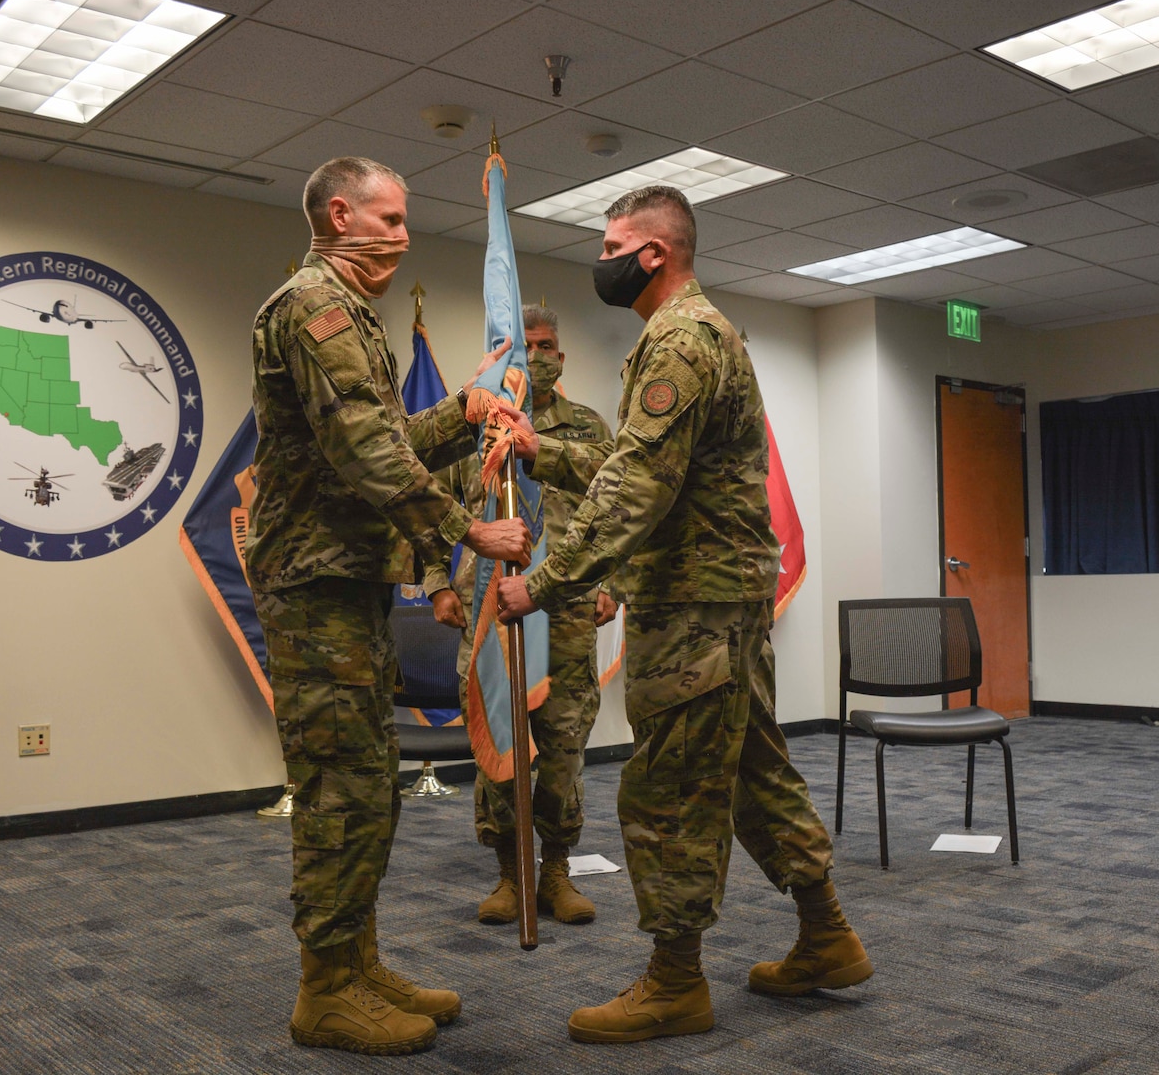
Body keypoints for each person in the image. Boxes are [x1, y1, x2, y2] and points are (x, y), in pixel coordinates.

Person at [496, 185, 871, 1043]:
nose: (602, 261)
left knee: (666, 788)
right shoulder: (692, 336)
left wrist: (544, 582)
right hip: (716, 598)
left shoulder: (681, 341)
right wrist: (544, 454)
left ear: (654, 254)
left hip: (698, 608)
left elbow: (636, 486)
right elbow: (645, 473)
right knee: (753, 772)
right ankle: (827, 936)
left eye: (611, 245)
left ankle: (675, 983)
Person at [246, 156, 531, 1057]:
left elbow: (387, 435)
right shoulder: (313, 308)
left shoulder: (351, 315)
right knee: (339, 789)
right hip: (316, 586)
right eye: (393, 218)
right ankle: (324, 989)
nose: (406, 236)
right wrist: (465, 530)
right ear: (341, 212)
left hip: (348, 584)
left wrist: (460, 410)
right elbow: (367, 448)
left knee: (369, 787)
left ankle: (355, 962)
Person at [423, 304, 616, 927]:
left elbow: (620, 509)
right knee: (501, 743)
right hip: (491, 613)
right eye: (526, 345)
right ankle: (509, 875)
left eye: (548, 344)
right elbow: (424, 502)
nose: (538, 354)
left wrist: (614, 583)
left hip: (565, 610)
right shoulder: (475, 429)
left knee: (561, 746)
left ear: (562, 355)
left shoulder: (585, 427)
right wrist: (435, 585)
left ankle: (556, 871)